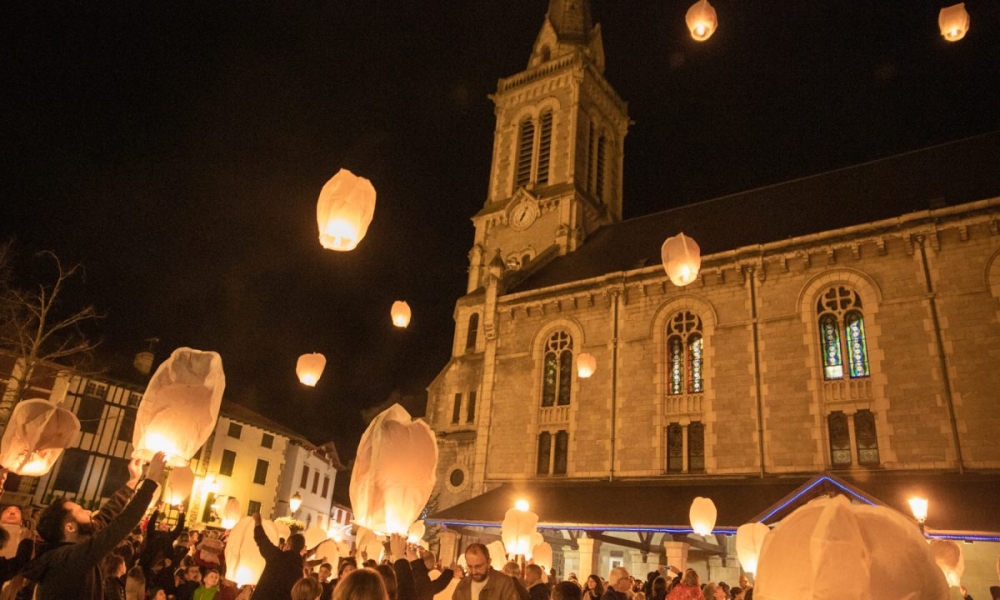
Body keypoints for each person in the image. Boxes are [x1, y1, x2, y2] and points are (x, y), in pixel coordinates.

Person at [18, 452, 166, 600]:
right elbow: (118, 527)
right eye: (81, 511)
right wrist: (151, 480)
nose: (89, 511)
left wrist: (133, 480)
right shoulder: (66, 560)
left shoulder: (72, 552)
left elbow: (106, 516)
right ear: (70, 527)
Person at [251, 511, 306, 599]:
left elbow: (261, 539)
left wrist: (257, 521)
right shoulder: (299, 572)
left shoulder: (277, 557)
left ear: (288, 544)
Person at [452, 543, 520, 600]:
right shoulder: (463, 585)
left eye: (478, 566)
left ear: (489, 562)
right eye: (470, 566)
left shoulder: (504, 583)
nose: (473, 572)